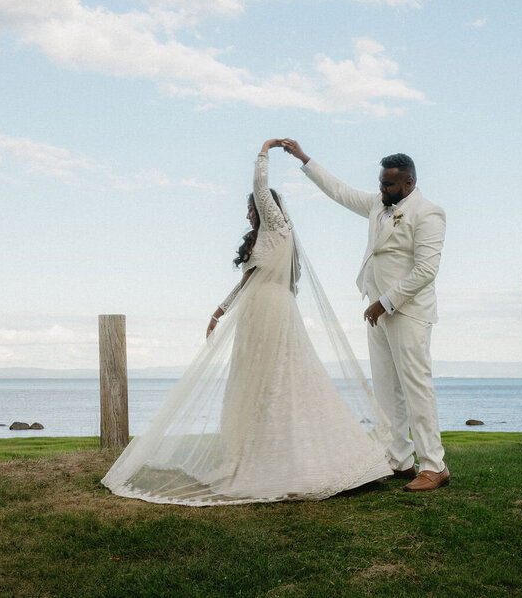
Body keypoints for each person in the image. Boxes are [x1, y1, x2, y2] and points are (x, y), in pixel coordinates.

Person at [101, 139, 392, 505]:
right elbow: (247, 282)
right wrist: (219, 311)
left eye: (249, 210)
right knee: (253, 385)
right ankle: (258, 455)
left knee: (278, 381)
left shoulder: (277, 227)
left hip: (271, 312)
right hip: (256, 313)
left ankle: (295, 461)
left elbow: (259, 188)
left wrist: (265, 150)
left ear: (264, 209)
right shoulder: (263, 240)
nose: (247, 216)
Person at [281, 140, 449, 491]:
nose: (382, 189)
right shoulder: (377, 204)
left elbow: (426, 270)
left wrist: (385, 302)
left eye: (389, 184)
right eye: (380, 182)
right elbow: (339, 191)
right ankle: (399, 459)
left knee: (417, 389)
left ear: (408, 183)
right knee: (386, 391)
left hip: (408, 312)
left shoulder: (428, 213)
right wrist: (304, 159)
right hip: (378, 310)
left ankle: (434, 466)